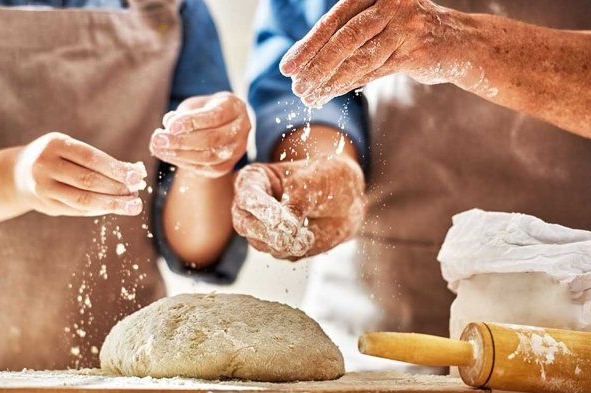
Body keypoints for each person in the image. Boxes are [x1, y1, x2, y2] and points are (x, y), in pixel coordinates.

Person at [0, 0, 249, 369]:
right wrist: (14, 178)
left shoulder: (178, 9)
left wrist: (205, 161)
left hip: (119, 386)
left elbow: (198, 250)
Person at [234, 0, 591, 339]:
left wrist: (454, 40)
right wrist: (328, 164)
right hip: (376, 323)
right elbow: (307, 53)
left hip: (575, 317)